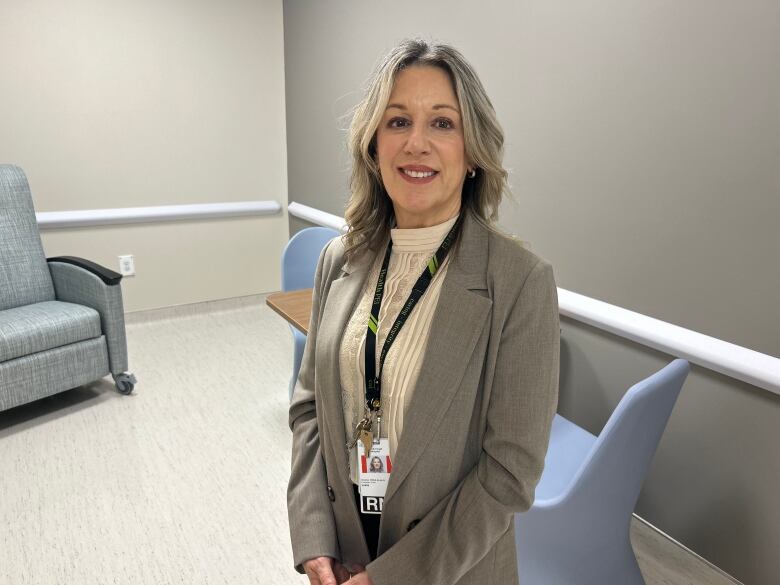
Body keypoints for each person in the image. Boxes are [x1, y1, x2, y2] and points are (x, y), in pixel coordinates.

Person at [288, 38, 559, 585]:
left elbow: (509, 473)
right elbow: (310, 409)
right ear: (372, 145)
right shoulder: (336, 260)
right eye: (396, 122)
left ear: (474, 150)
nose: (416, 143)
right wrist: (313, 535)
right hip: (344, 552)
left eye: (442, 123)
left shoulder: (520, 282)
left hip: (449, 570)